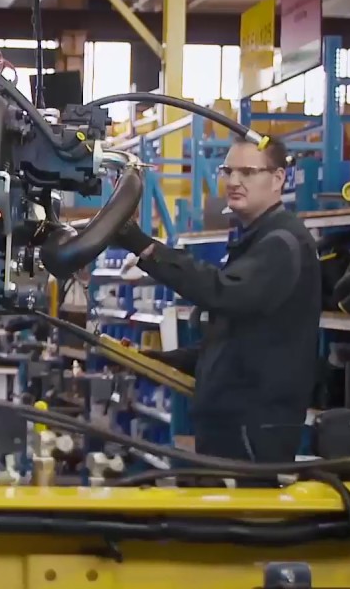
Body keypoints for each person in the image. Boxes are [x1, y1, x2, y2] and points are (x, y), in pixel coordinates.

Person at [111, 136, 320, 464]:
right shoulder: (256, 240)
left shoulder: (282, 244)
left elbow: (223, 293)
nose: (234, 181)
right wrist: (154, 360)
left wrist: (147, 248)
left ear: (278, 178)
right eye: (228, 171)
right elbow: (233, 344)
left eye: (248, 172)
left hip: (253, 432)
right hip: (232, 425)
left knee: (243, 514)